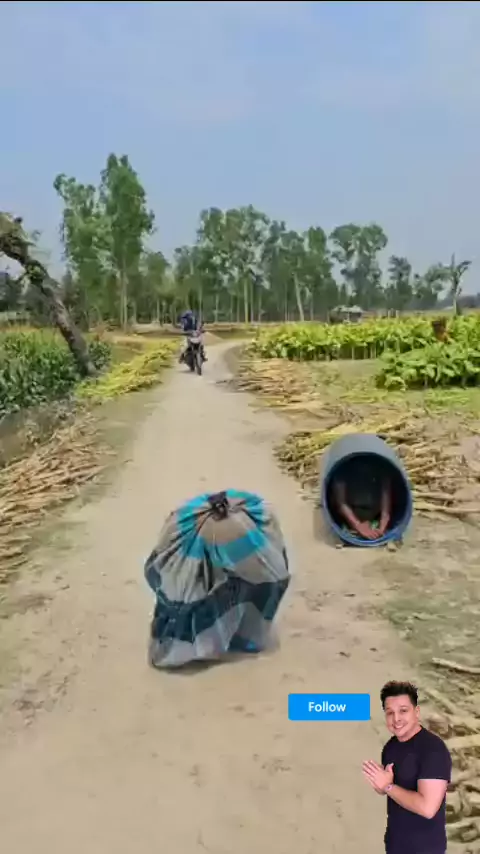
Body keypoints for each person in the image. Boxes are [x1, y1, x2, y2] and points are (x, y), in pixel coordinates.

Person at [362, 680, 452, 854]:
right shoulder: (391, 747)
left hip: (425, 849)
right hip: (395, 845)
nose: (396, 719)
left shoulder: (433, 749)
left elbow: (427, 808)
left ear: (416, 712)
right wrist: (381, 786)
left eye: (403, 711)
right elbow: (394, 790)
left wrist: (388, 787)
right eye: (390, 713)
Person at [332, 457, 392, 540]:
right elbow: (341, 503)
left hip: (374, 514)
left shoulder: (381, 468)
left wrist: (382, 527)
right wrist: (358, 525)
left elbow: (385, 509)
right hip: (351, 513)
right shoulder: (343, 469)